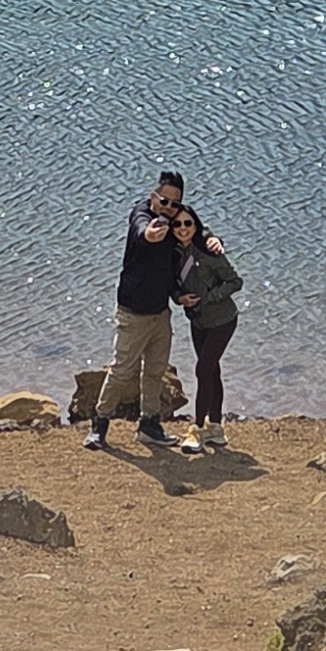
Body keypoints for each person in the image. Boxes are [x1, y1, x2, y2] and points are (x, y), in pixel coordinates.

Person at [87, 171, 188, 450]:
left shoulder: (177, 220)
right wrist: (151, 233)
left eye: (174, 204)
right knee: (121, 371)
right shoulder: (141, 215)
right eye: (164, 201)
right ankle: (99, 424)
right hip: (133, 313)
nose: (168, 208)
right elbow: (142, 230)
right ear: (154, 197)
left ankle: (150, 425)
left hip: (160, 313)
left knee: (155, 372)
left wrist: (212, 241)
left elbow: (195, 232)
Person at [170, 206, 242, 456]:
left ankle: (198, 429)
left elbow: (235, 282)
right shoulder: (172, 253)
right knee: (212, 369)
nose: (182, 229)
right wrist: (180, 299)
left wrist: (209, 297)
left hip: (222, 319)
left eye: (187, 224)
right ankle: (216, 426)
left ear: (196, 225)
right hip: (198, 321)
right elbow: (172, 284)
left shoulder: (209, 252)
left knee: (203, 368)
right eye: (177, 225)